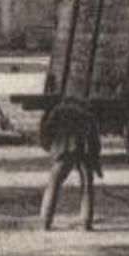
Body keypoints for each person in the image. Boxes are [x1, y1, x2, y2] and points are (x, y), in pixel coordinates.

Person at [39, 97, 103, 231]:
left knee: (53, 183)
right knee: (87, 184)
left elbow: (46, 131)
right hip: (83, 150)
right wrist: (96, 164)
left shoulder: (58, 110)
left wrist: (50, 148)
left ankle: (45, 221)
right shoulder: (88, 113)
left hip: (64, 150)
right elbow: (95, 141)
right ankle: (86, 222)